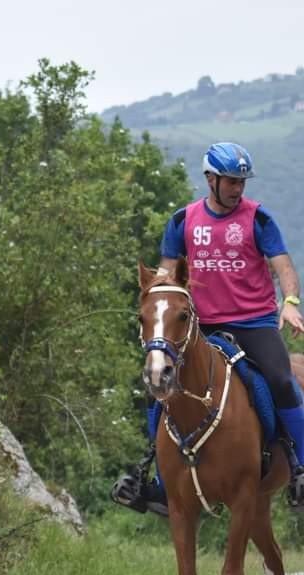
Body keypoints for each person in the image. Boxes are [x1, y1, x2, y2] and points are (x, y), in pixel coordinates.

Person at [113, 142, 304, 514]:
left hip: (254, 322)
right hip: (202, 326)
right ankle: (157, 482)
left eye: (241, 182)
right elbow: (167, 274)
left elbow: (283, 265)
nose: (237, 188)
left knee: (282, 380)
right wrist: (159, 311)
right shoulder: (183, 221)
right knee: (158, 384)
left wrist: (291, 302)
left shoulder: (259, 219)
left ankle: (299, 470)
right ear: (210, 179)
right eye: (230, 181)